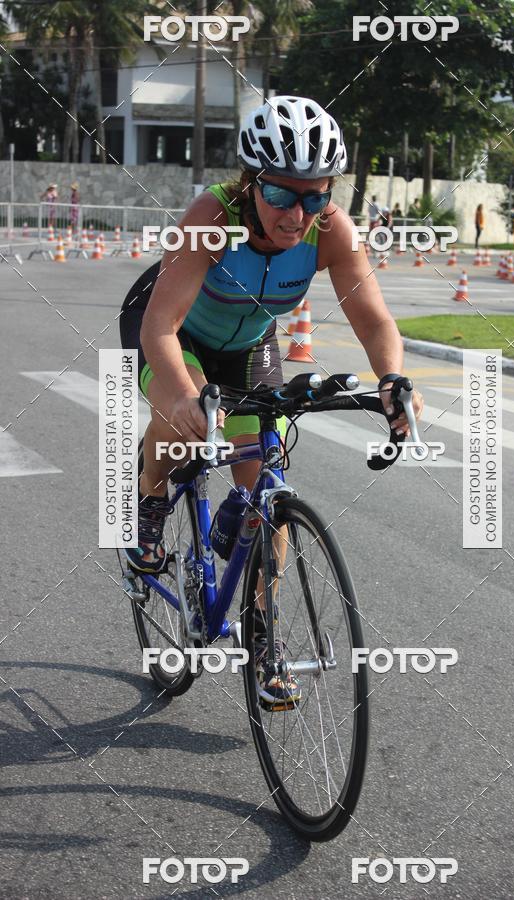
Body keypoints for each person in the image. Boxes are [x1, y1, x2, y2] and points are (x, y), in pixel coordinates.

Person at [119, 95, 424, 705]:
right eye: (283, 195)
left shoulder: (330, 228)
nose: (297, 214)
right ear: (251, 184)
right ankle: (148, 505)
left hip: (249, 341)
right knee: (179, 424)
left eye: (315, 196)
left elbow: (373, 321)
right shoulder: (214, 214)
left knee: (267, 482)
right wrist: (184, 395)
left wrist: (392, 380)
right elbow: (159, 331)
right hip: (171, 330)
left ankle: (264, 635)